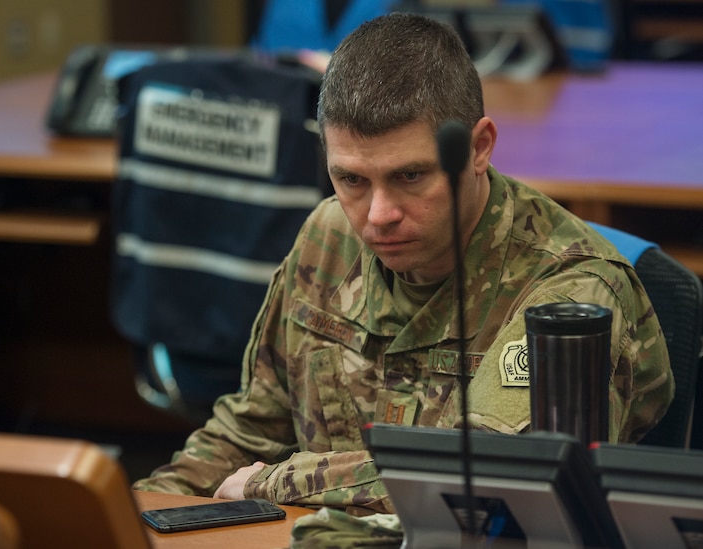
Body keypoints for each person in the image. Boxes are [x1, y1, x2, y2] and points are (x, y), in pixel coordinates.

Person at [135, 9, 672, 525]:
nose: (378, 216)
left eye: (411, 176)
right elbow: (247, 432)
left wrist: (274, 482)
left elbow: (493, 481)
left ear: (479, 147)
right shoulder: (329, 236)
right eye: (351, 180)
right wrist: (140, 515)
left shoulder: (570, 294)